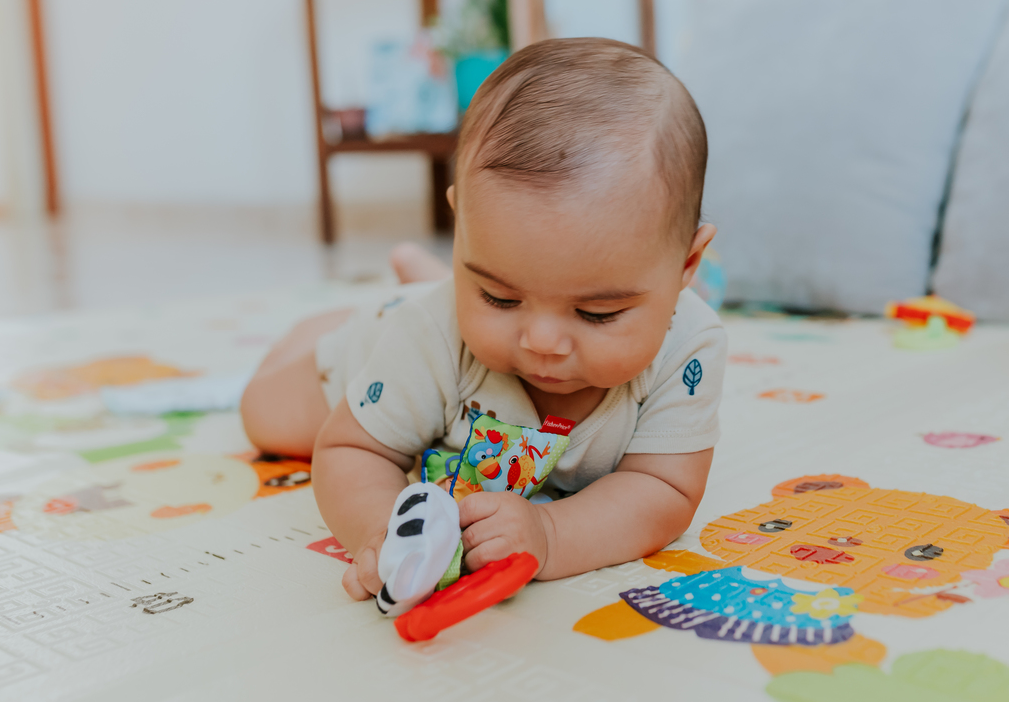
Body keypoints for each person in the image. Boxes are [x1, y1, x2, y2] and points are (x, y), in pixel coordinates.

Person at [240, 37, 727, 601]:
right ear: (461, 230)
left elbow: (662, 488)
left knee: (470, 301)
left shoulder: (688, 347)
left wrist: (550, 531)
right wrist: (382, 532)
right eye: (501, 296)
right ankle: (348, 319)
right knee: (262, 416)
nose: (543, 341)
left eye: (598, 312)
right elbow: (351, 449)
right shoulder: (431, 335)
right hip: (376, 346)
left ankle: (438, 280)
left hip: (442, 312)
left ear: (687, 265)